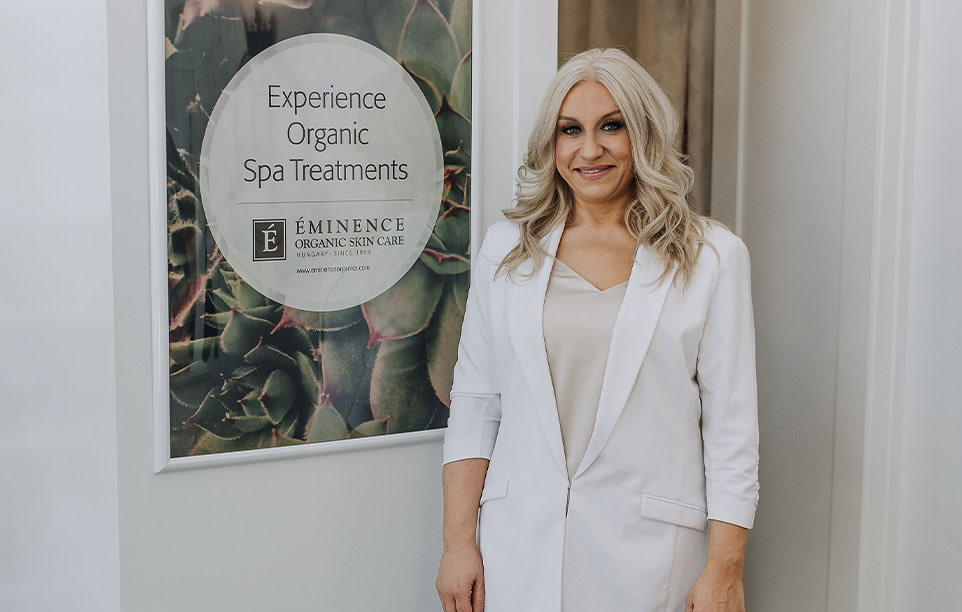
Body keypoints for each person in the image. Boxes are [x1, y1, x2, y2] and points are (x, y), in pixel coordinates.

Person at [436, 48, 759, 612]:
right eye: (571, 129)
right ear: (551, 141)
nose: (589, 149)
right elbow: (476, 402)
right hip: (519, 546)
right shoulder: (506, 250)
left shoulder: (712, 257)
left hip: (649, 558)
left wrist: (725, 569)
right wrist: (457, 543)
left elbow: (732, 428)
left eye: (612, 125)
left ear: (644, 134)